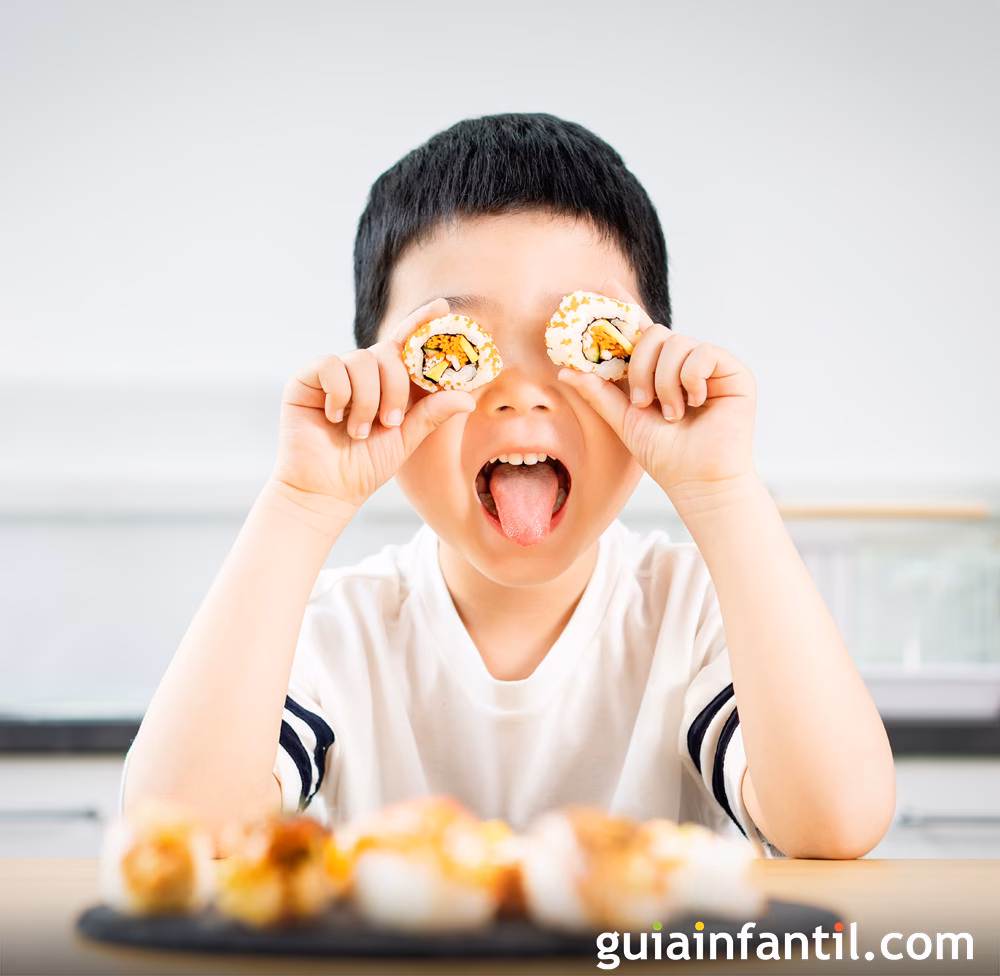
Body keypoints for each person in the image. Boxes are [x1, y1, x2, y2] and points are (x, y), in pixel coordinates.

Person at [122, 113, 895, 858]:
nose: (522, 392)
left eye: (589, 345)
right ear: (375, 376)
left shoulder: (697, 617)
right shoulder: (332, 632)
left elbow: (832, 824)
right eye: (456, 348)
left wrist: (723, 491)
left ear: (655, 361)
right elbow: (182, 833)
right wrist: (300, 506)